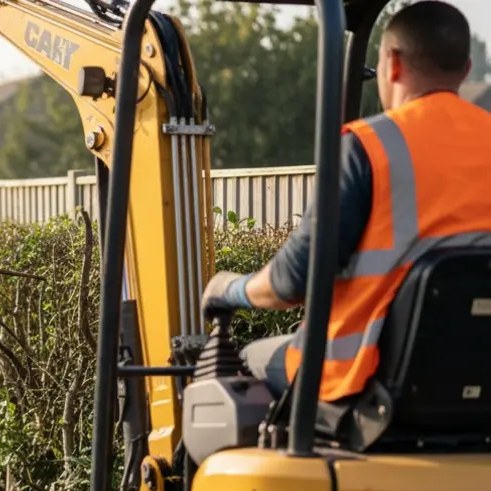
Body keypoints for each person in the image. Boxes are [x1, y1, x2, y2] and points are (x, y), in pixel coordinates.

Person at [201, 1, 491, 403]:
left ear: (391, 63)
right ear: (464, 69)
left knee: (237, 368)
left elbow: (292, 283)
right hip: (477, 392)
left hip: (364, 385)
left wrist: (228, 289)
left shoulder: (370, 146)